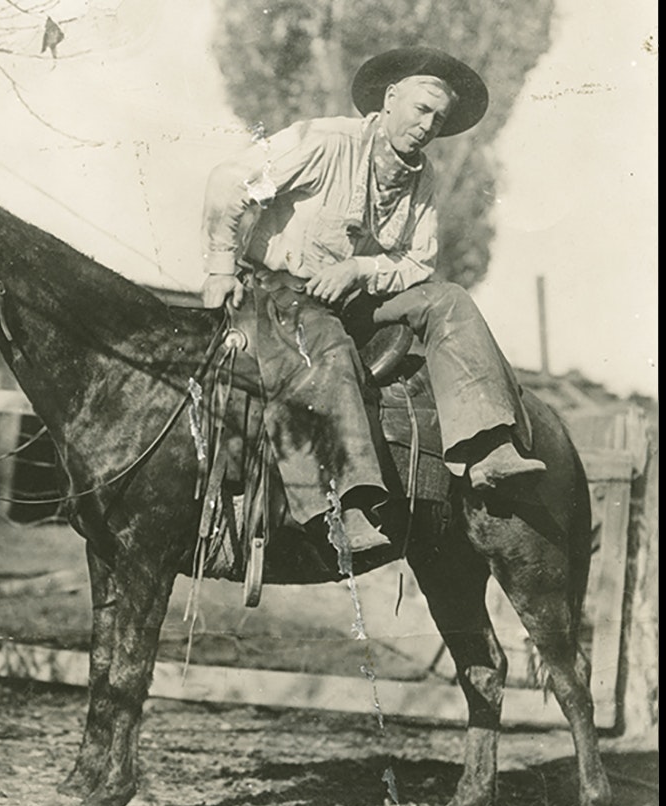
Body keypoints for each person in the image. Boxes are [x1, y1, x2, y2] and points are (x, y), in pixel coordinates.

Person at [200, 47, 545, 553]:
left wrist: (358, 268)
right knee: (328, 345)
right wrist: (218, 269)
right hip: (281, 294)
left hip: (353, 296)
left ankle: (487, 448)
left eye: (439, 119)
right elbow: (230, 183)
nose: (428, 126)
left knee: (449, 300)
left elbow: (417, 262)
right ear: (389, 99)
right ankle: (344, 504)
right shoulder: (323, 141)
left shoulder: (421, 176)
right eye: (421, 110)